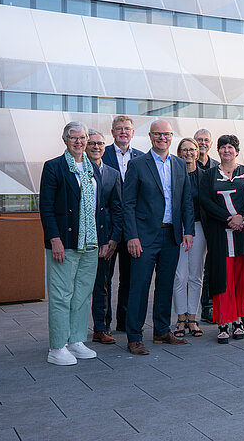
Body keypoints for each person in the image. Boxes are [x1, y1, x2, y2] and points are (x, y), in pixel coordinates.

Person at [40, 122, 111, 365]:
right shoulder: (54, 167)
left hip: (90, 242)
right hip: (65, 242)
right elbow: (47, 208)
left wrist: (103, 238)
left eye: (83, 138)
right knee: (61, 295)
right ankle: (57, 346)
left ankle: (76, 340)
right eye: (74, 137)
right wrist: (54, 240)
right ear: (65, 139)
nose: (79, 142)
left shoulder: (92, 168)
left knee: (82, 294)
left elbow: (100, 207)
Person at [122, 120, 194, 355]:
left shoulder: (180, 165)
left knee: (165, 285)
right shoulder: (137, 164)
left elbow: (186, 201)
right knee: (139, 286)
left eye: (166, 134)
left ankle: (162, 331)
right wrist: (132, 236)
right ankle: (134, 336)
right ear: (150, 137)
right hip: (144, 237)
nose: (162, 138)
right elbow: (128, 203)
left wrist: (189, 230)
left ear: (171, 137)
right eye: (157, 134)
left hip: (171, 235)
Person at [200, 135, 244, 343]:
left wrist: (241, 216)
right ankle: (223, 323)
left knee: (240, 279)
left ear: (237, 150)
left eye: (231, 147)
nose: (227, 150)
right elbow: (205, 201)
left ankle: (238, 321)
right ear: (218, 150)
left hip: (243, 234)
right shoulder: (209, 175)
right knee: (222, 278)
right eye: (223, 147)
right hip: (220, 234)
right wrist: (227, 219)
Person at [101, 115, 143, 332]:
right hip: (109, 228)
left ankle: (123, 322)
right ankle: (104, 324)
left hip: (133, 229)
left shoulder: (142, 157)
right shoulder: (102, 154)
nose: (123, 132)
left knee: (129, 278)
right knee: (105, 279)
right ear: (113, 132)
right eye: (119, 129)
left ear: (133, 133)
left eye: (127, 129)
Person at [85, 129, 122, 345]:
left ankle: (100, 327)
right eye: (92, 143)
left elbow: (117, 208)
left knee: (102, 284)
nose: (96, 147)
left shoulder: (113, 174)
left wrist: (113, 239)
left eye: (100, 143)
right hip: (81, 238)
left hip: (105, 239)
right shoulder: (77, 171)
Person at [172, 138, 207, 338]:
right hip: (179, 229)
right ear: (179, 152)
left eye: (192, 149)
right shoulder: (174, 174)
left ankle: (193, 318)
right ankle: (180, 318)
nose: (188, 153)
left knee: (196, 275)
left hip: (199, 227)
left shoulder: (205, 176)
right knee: (180, 275)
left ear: (198, 152)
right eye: (184, 150)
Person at [194, 129, 218, 324]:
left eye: (205, 140)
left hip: (212, 222)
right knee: (191, 268)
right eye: (199, 140)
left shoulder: (217, 167)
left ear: (210, 144)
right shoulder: (185, 164)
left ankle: (208, 305)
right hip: (193, 222)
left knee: (211, 264)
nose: (202, 143)